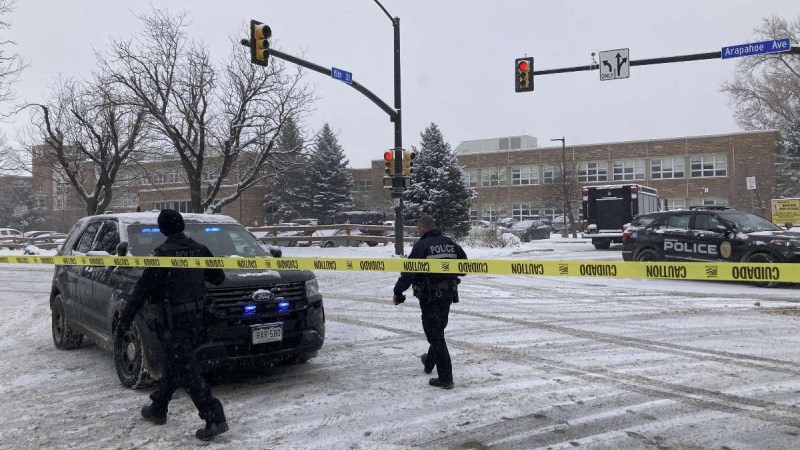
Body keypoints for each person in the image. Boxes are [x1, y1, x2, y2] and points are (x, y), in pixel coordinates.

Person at [116, 209, 228, 441]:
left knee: (186, 370)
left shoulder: (162, 255)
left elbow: (141, 291)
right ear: (182, 226)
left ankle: (214, 417)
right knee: (175, 364)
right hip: (198, 320)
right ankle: (158, 408)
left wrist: (124, 320)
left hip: (175, 323)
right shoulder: (199, 249)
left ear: (162, 229)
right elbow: (218, 277)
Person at [392, 215, 467, 389]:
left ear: (421, 229)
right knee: (438, 331)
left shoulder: (422, 245)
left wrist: (398, 292)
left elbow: (409, 271)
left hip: (429, 296)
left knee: (435, 335)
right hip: (448, 294)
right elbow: (463, 268)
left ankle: (446, 378)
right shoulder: (450, 243)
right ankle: (429, 362)